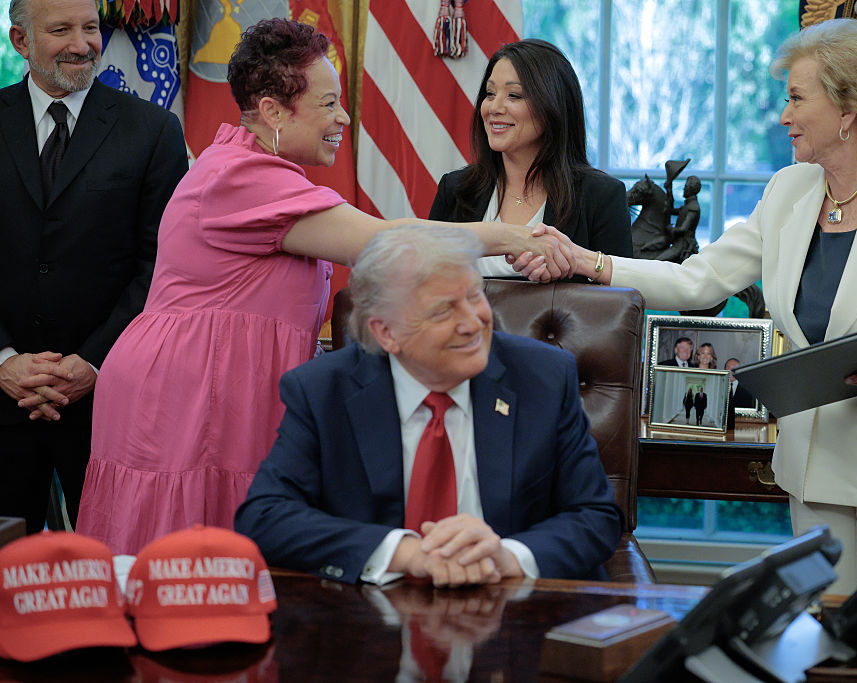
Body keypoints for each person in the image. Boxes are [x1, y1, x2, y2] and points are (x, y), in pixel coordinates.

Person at [524, 19, 857, 593]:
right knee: (826, 635)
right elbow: (697, 281)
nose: (784, 115)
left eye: (797, 98)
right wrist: (590, 261)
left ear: (849, 109)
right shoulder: (787, 192)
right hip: (814, 471)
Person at [75, 19, 570, 555]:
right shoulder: (241, 176)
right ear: (273, 112)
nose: (344, 117)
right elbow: (386, 242)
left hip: (220, 382)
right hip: (192, 391)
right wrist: (511, 235)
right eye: (329, 103)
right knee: (185, 568)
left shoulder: (251, 166)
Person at [235, 225, 622, 587]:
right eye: (443, 311)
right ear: (386, 332)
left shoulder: (543, 378)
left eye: (475, 296)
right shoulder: (324, 391)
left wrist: (507, 557)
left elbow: (595, 515)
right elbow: (265, 516)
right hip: (372, 615)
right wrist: (405, 553)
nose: (472, 323)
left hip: (515, 609)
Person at [0, 0, 188, 533]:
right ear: (20, 41)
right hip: (3, 397)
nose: (82, 44)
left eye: (90, 28)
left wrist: (93, 362)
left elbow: (163, 266)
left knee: (110, 566)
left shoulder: (153, 130)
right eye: (61, 30)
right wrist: (5, 360)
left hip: (110, 399)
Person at [428, 39, 632, 278]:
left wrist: (566, 273)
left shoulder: (601, 196)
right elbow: (423, 281)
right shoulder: (455, 188)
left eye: (514, 95)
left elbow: (621, 295)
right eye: (490, 94)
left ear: (553, 105)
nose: (494, 107)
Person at [725, 358, 756, 431]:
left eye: (733, 369)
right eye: (728, 368)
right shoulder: (719, 386)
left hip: (745, 426)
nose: (730, 372)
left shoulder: (748, 390)